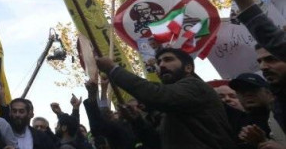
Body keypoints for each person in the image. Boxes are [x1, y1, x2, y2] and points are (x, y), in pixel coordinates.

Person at [96, 48, 237, 149]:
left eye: (168, 60)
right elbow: (157, 143)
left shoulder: (195, 86)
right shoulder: (173, 107)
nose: (162, 65)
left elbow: (157, 94)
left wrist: (113, 69)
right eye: (159, 62)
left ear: (188, 68)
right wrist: (137, 121)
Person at [229, 73, 286, 147]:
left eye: (253, 89)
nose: (247, 93)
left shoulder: (281, 116)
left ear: (268, 93)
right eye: (241, 90)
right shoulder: (237, 124)